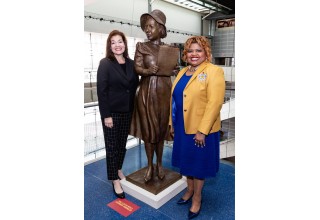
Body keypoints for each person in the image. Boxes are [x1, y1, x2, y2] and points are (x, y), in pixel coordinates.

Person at [169, 36, 225, 219]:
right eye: (190, 51)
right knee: (187, 163)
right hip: (182, 127)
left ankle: (197, 198)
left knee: (198, 166)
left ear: (206, 52)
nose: (194, 54)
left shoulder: (213, 71)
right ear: (186, 54)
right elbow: (175, 100)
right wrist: (172, 123)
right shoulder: (182, 72)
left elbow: (214, 103)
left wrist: (202, 131)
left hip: (201, 130)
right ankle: (189, 190)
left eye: (198, 50)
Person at [130, 9, 178, 182]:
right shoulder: (141, 47)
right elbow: (137, 68)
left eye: (151, 26)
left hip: (165, 92)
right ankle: (150, 165)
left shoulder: (170, 49)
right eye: (145, 28)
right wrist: (147, 71)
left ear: (161, 28)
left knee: (161, 130)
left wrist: (173, 70)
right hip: (147, 92)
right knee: (149, 131)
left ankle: (159, 164)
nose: (147, 30)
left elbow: (171, 68)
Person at [97, 30, 139, 199]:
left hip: (127, 111)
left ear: (124, 44)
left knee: (122, 144)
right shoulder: (106, 63)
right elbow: (102, 91)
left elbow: (136, 83)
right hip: (111, 114)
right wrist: (106, 115)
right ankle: (114, 179)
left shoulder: (130, 63)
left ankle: (118, 168)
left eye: (120, 41)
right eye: (113, 42)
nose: (117, 45)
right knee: (112, 147)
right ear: (110, 46)